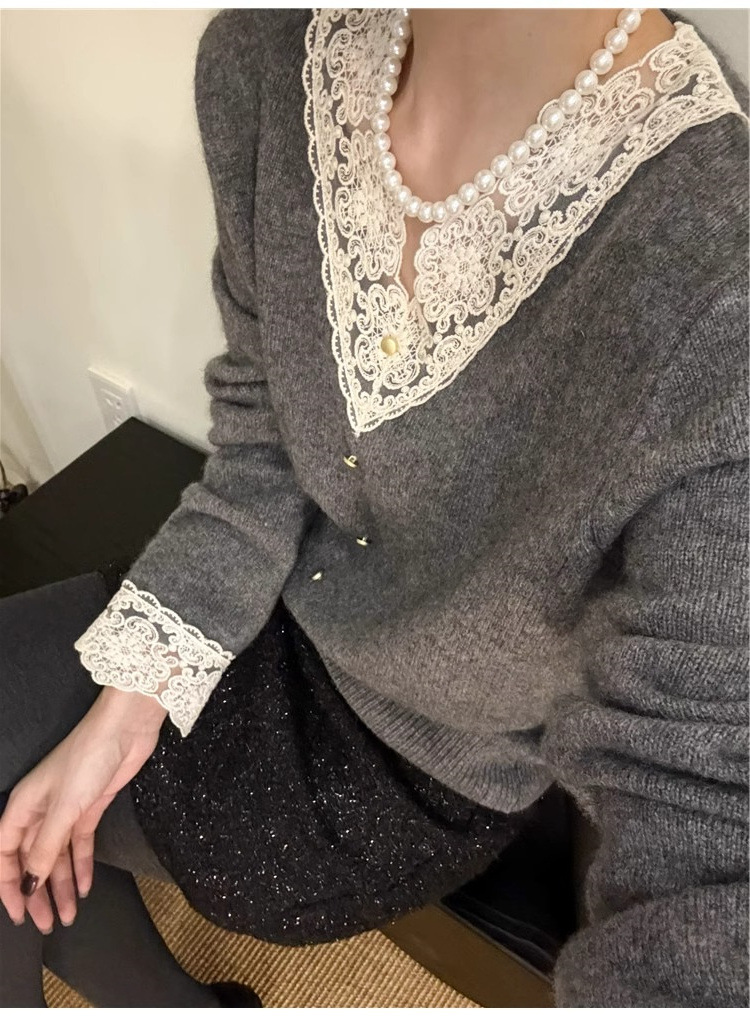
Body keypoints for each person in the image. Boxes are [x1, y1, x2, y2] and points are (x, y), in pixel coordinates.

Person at [1, 6, 748, 1007]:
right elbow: (262, 438)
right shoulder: (263, 63)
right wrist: (132, 694)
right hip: (255, 596)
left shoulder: (717, 262)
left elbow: (704, 798)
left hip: (403, 770)